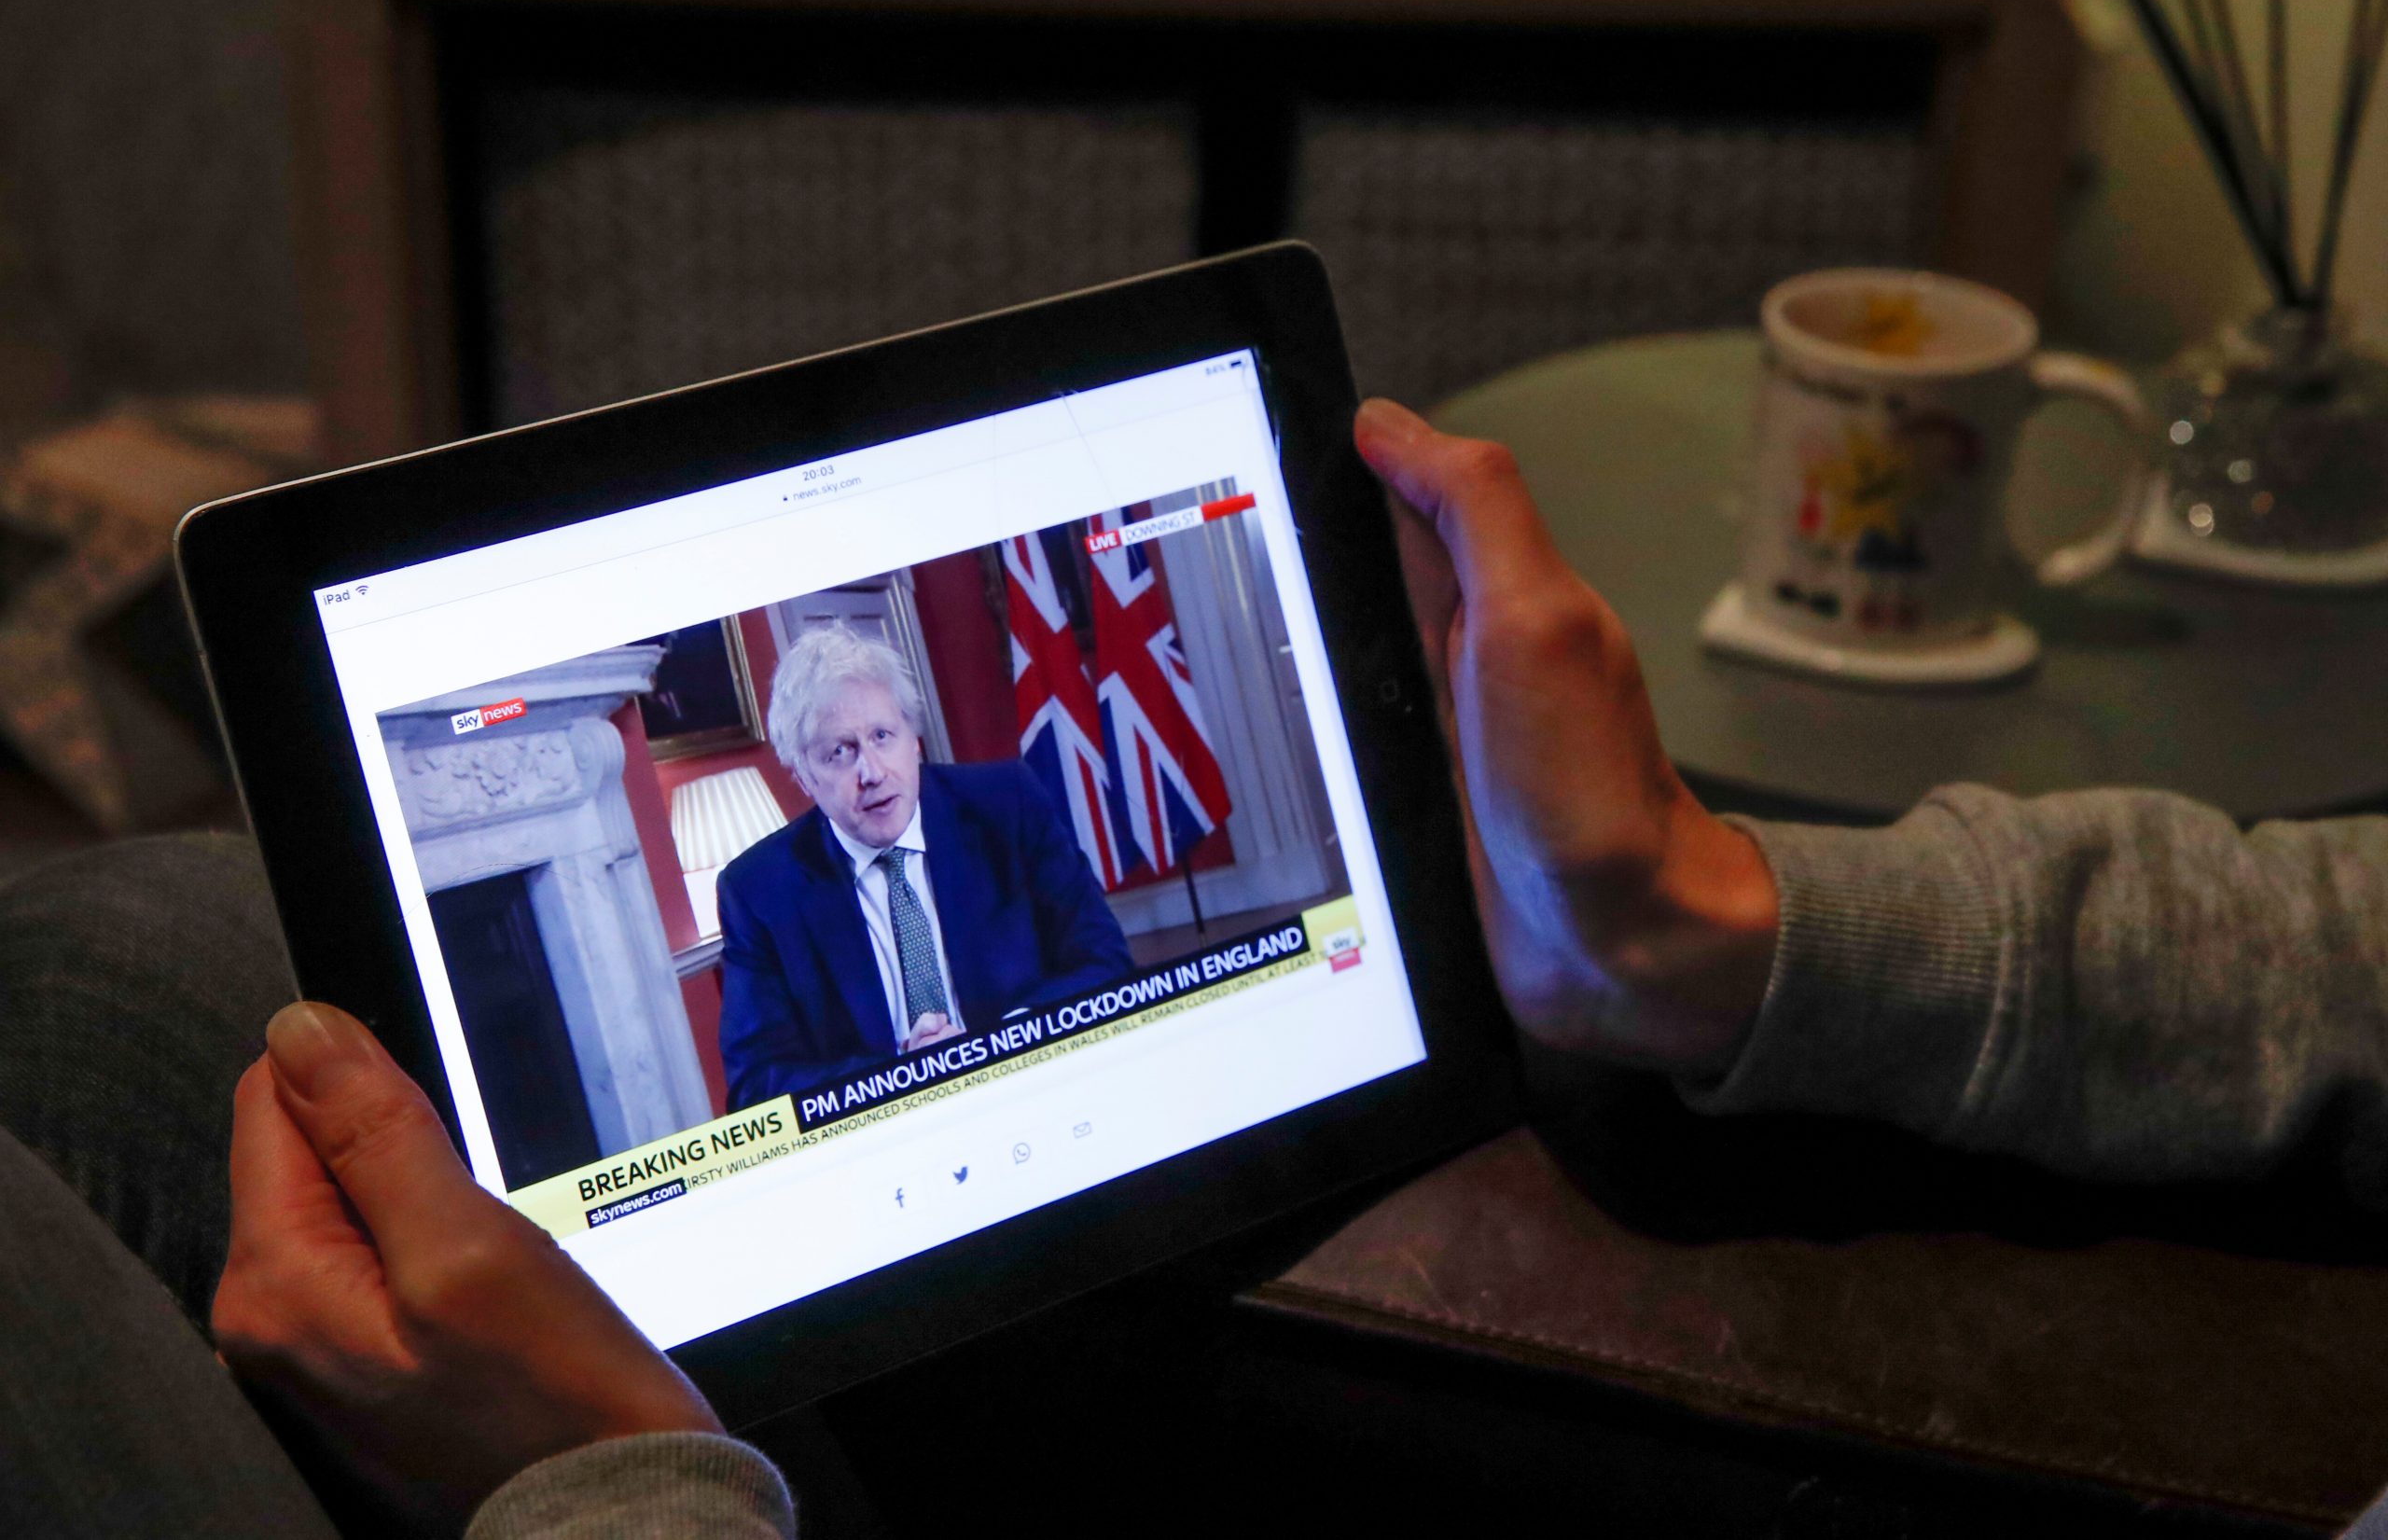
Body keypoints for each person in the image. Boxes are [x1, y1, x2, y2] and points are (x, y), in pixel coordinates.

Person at [7, 398, 2388, 1535]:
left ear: (915, 734)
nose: (851, 765)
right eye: (820, 737)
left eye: (873, 729)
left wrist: (604, 1487)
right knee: (118, 962)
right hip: (897, 1261)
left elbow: (1043, 970)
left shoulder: (1021, 813)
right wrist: (1680, 921)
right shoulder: (766, 902)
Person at [715, 623, 1133, 1109]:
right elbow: (756, 1086)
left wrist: (998, 1046)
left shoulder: (1007, 805)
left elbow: (1106, 964)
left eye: (882, 736)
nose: (871, 772)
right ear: (804, 778)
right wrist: (902, 1073)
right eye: (839, 752)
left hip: (1038, 1088)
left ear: (914, 739)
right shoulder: (759, 891)